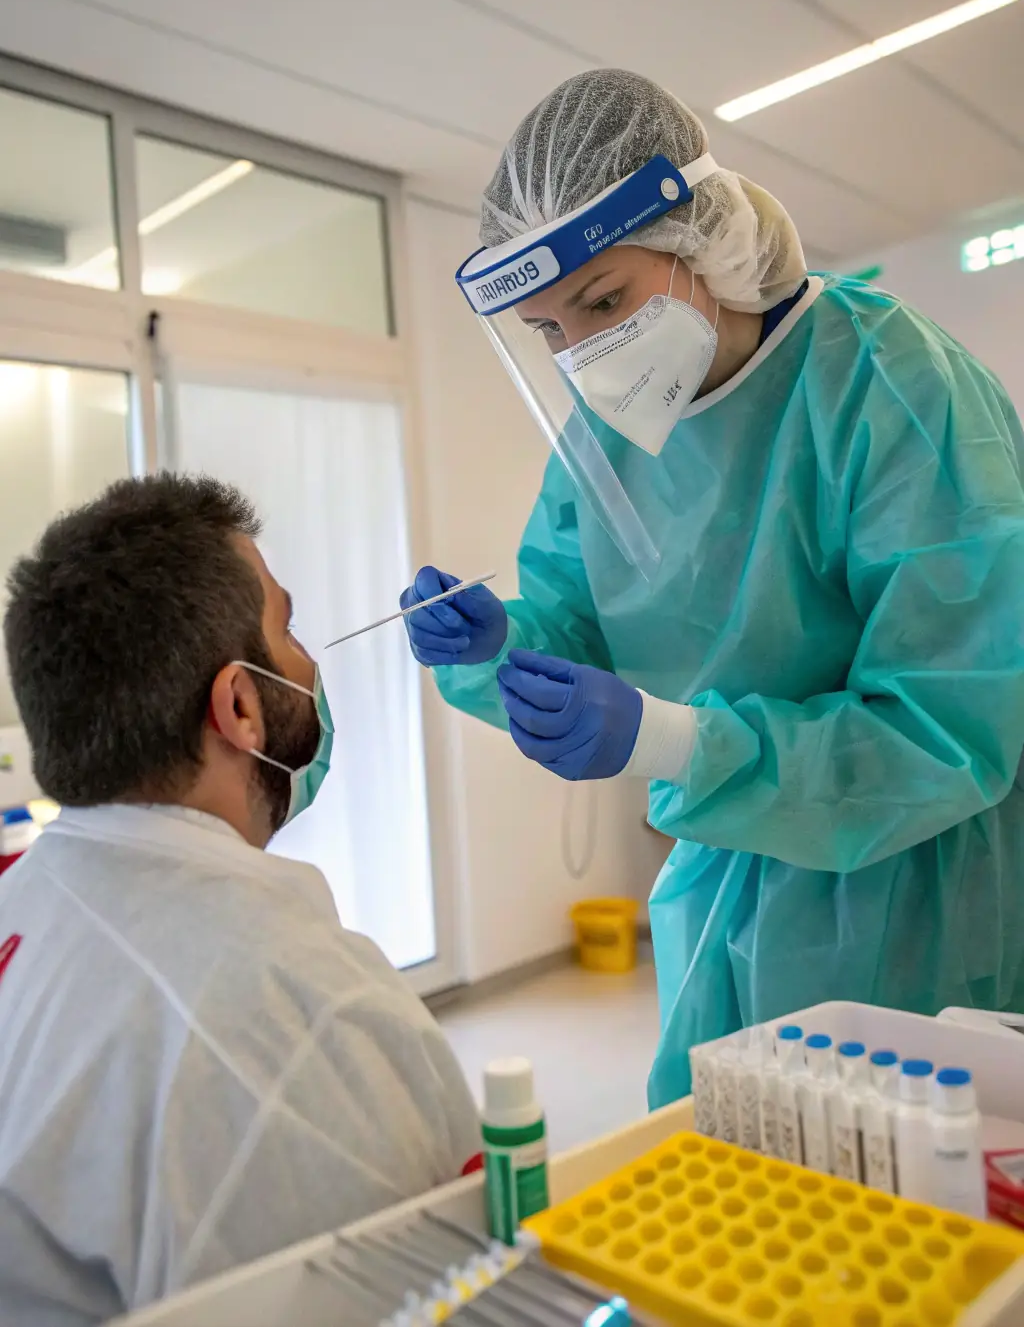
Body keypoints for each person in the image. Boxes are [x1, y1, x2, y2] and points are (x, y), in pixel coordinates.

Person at [401, 68, 1024, 1109]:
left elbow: (951, 723)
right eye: (551, 331)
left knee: (899, 1214)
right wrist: (497, 647)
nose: (586, 355)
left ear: (708, 238)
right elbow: (579, 622)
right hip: (722, 879)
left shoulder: (891, 386)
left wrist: (674, 743)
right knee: (727, 1184)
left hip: (913, 885)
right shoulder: (604, 438)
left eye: (602, 301)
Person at [0, 474, 480, 1326]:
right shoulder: (292, 1007)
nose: (310, 661)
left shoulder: (27, 900)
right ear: (240, 705)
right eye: (286, 628)